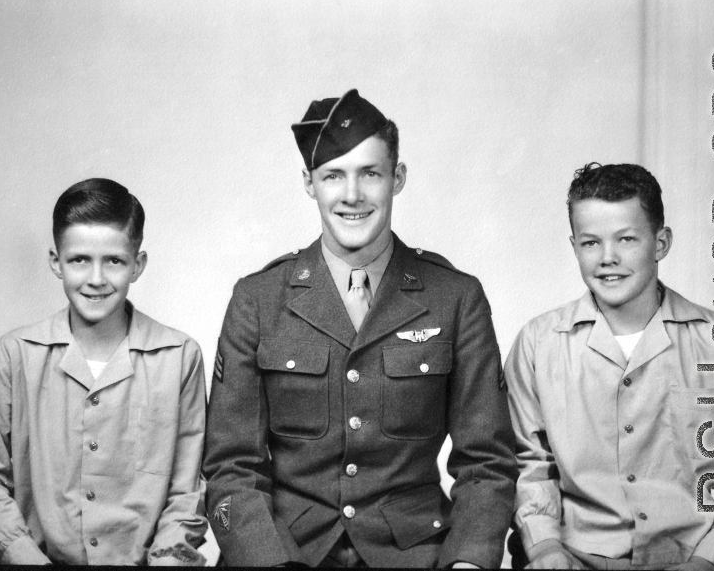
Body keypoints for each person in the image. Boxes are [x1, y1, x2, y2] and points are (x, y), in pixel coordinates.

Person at [202, 89, 517, 568]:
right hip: (284, 553)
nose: (352, 195)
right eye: (333, 175)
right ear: (309, 183)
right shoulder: (258, 300)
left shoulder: (455, 298)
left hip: (416, 554)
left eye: (370, 173)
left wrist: (469, 561)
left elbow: (486, 464)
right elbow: (232, 465)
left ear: (398, 178)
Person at [505, 163, 714, 570]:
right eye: (590, 243)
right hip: (571, 558)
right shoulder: (538, 344)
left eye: (626, 239)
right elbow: (529, 463)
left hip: (687, 560)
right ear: (573, 246)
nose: (608, 258)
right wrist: (545, 548)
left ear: (660, 243)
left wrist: (709, 560)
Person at [0, 178, 209, 565]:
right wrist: (25, 557)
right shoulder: (16, 355)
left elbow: (188, 489)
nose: (96, 278)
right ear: (56, 262)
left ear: (137, 265)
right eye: (79, 260)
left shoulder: (179, 357)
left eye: (114, 261)